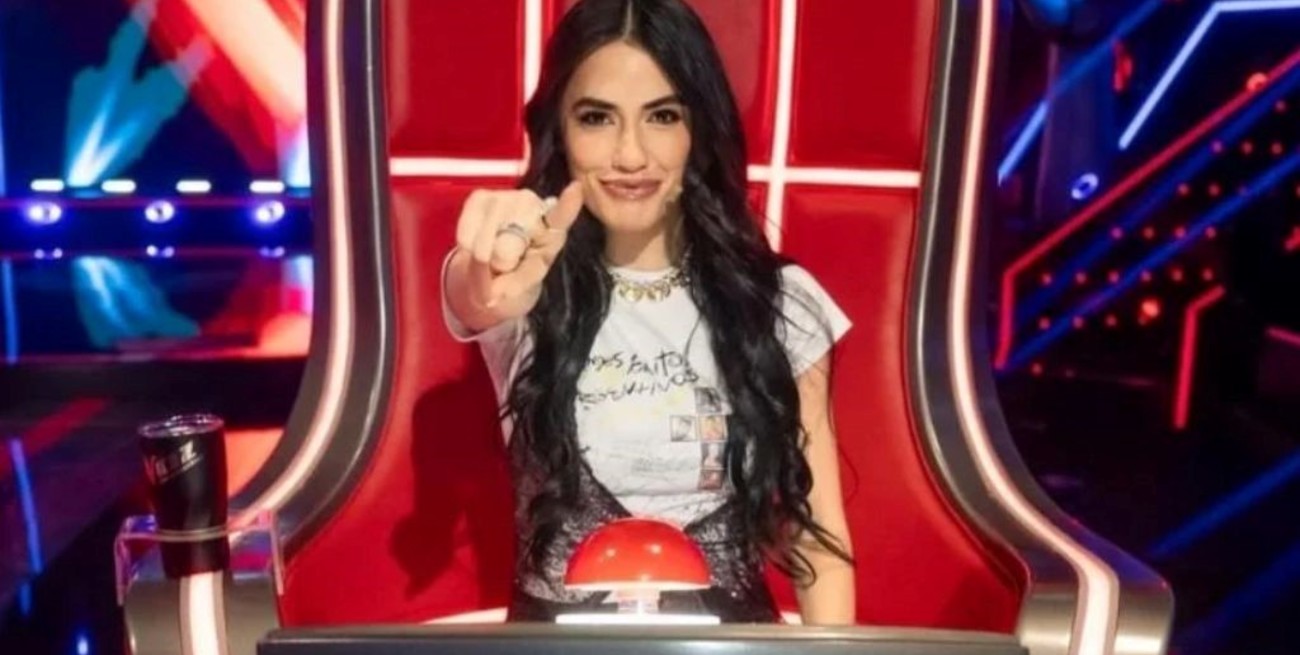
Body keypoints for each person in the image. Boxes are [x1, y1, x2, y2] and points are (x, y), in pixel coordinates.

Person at [441, 0, 855, 624]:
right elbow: (477, 291)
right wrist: (487, 268)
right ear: (561, 131)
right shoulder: (524, 277)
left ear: (698, 132)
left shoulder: (778, 300)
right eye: (596, 118)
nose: (631, 155)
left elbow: (818, 545)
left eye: (662, 116)